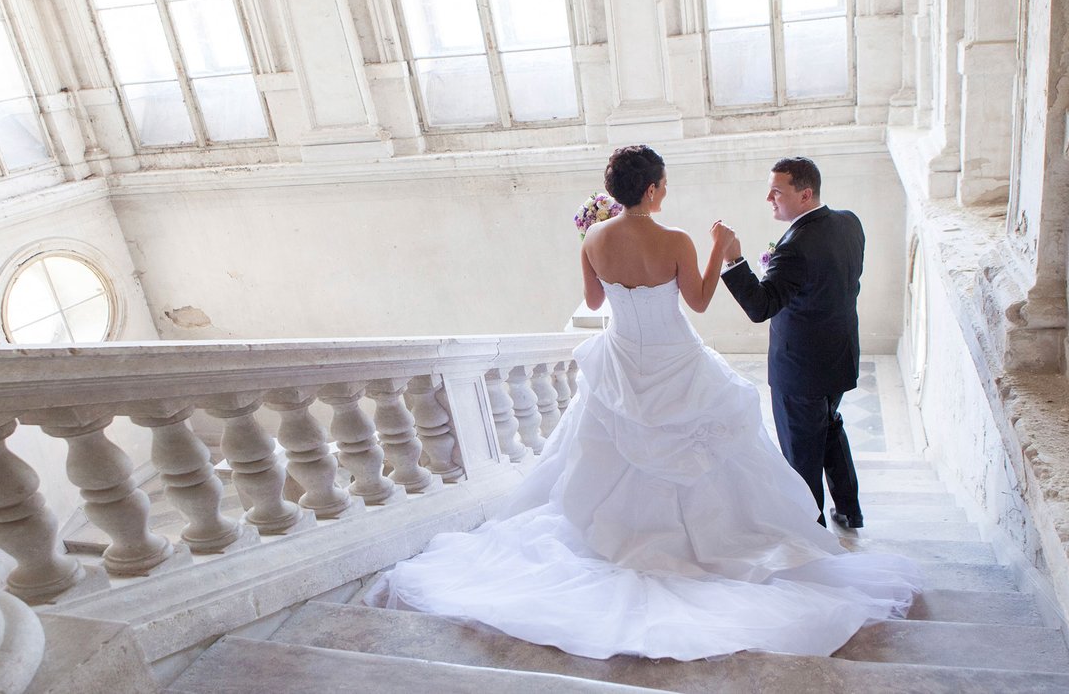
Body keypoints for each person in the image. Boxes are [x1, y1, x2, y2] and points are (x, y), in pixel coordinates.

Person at [366, 146, 921, 661]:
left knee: (610, 450)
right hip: (675, 358)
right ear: (653, 189)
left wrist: (612, 265)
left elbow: (591, 299)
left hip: (622, 360)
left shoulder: (593, 240)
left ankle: (622, 539)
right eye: (663, 184)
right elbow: (700, 302)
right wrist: (718, 252)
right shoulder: (676, 239)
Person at [719, 157, 866, 530]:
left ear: (805, 194)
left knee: (802, 454)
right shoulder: (849, 223)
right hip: (841, 357)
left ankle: (810, 529)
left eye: (777, 192)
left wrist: (734, 258)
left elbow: (761, 306)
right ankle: (850, 509)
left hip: (800, 370)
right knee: (831, 428)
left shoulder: (795, 247)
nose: (769, 198)